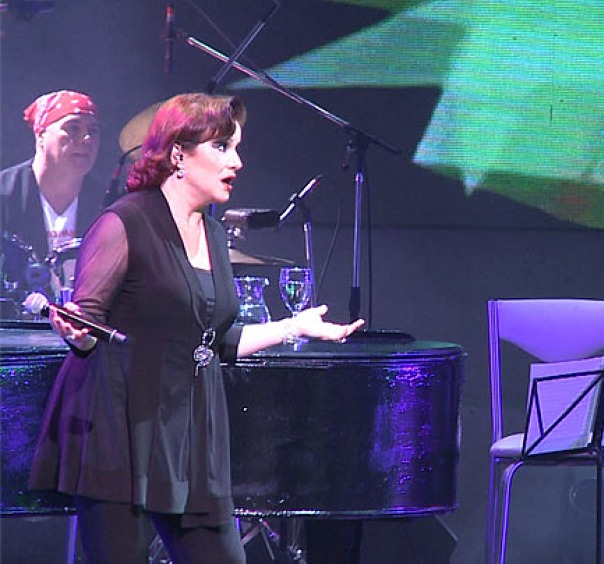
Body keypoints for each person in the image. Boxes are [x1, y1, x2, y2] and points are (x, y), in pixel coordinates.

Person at [29, 92, 365, 563]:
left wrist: (296, 326)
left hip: (191, 438)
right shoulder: (123, 223)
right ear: (178, 155)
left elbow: (215, 341)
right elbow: (86, 322)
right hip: (122, 433)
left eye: (237, 148)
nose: (237, 161)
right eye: (222, 147)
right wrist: (78, 334)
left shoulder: (211, 233)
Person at [0, 90, 104, 300]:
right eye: (73, 128)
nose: (86, 138)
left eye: (93, 131)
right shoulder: (5, 193)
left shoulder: (107, 202)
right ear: (40, 135)